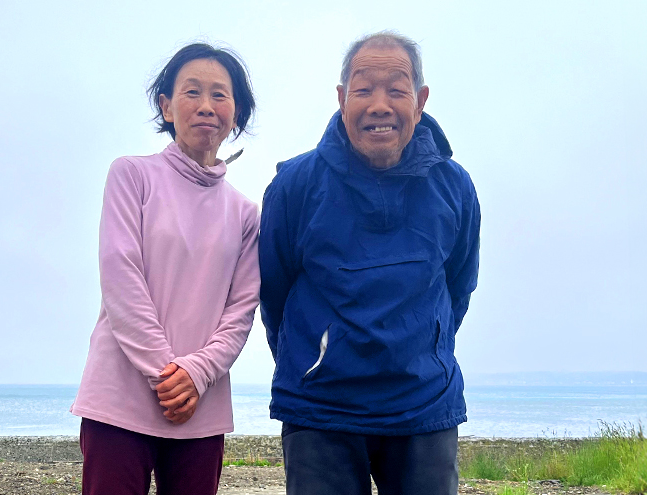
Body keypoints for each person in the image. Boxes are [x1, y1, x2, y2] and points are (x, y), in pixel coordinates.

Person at [259, 31, 480, 495]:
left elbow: (458, 287)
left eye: (396, 90)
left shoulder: (455, 186)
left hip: (424, 406)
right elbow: (274, 294)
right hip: (322, 410)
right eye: (363, 90)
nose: (379, 104)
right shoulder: (295, 186)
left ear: (419, 101)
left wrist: (422, 345)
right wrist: (313, 362)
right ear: (342, 99)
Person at [70, 43, 260, 495]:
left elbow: (242, 310)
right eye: (191, 92)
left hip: (201, 407)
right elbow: (121, 277)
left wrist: (197, 373)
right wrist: (168, 375)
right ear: (166, 106)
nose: (206, 106)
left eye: (220, 95)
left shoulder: (245, 213)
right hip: (121, 399)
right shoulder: (131, 175)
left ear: (236, 112)